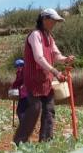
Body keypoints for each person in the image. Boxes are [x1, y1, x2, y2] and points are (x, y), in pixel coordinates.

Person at [13, 9, 75, 145]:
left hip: (46, 81)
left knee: (49, 110)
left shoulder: (49, 37)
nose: (55, 24)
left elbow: (56, 54)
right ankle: (20, 141)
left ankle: (46, 143)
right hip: (33, 80)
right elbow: (39, 57)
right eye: (53, 20)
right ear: (45, 19)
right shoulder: (35, 35)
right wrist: (55, 72)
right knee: (34, 109)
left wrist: (65, 59)